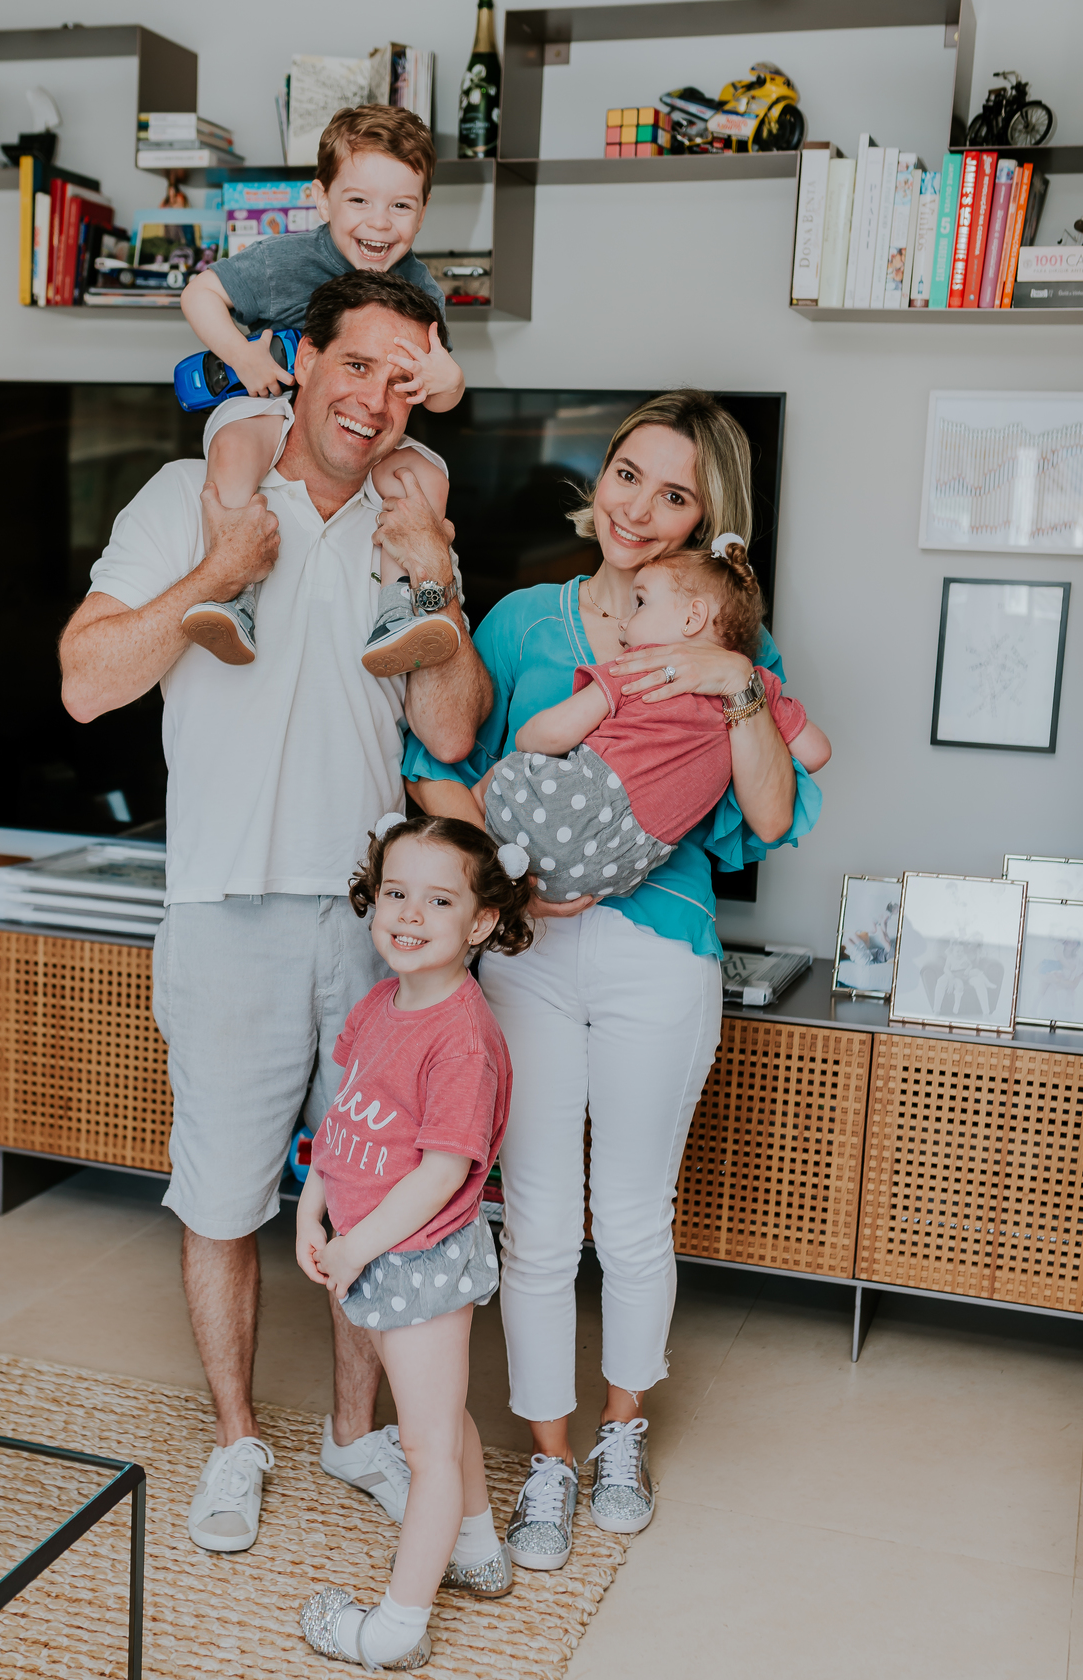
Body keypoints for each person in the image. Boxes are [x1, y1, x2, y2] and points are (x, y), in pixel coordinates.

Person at [58, 269, 492, 1557]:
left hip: (378, 931)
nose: (376, 397)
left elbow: (452, 727)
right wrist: (219, 564)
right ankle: (238, 1439)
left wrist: (435, 578)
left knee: (368, 1205)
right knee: (225, 1200)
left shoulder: (415, 512)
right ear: (299, 362)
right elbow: (86, 683)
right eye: (357, 365)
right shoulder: (193, 495)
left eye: (405, 376)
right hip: (226, 906)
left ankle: (355, 1436)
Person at [405, 390, 828, 1569]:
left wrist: (732, 682)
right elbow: (443, 769)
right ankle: (546, 1458)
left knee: (635, 1220)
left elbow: (776, 808)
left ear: (709, 520)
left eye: (677, 492)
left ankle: (621, 1437)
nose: (641, 507)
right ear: (600, 481)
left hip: (660, 951)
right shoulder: (528, 620)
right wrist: (516, 889)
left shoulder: (726, 630)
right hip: (528, 951)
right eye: (629, 475)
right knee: (536, 1225)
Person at [298, 814, 531, 1670]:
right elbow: (347, 1110)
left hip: (416, 1258)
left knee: (425, 1449)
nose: (408, 913)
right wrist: (313, 1204)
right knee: (442, 1417)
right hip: (376, 1249)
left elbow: (439, 1175)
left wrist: (357, 1249)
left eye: (438, 900)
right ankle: (475, 1549)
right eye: (396, 892)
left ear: (479, 924)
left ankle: (393, 1628)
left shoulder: (463, 1040)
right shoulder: (381, 1003)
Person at [180, 104, 466, 677]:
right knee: (237, 445)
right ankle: (233, 588)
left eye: (400, 206)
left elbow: (438, 397)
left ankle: (398, 607)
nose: (379, 224)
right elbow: (199, 294)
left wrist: (449, 382)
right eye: (359, 201)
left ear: (423, 211)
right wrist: (242, 354)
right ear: (321, 198)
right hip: (271, 405)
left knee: (426, 479)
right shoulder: (286, 261)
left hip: (362, 428)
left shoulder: (422, 290)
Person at [467, 538, 830, 901]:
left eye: (640, 603)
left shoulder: (643, 665)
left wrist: (522, 749)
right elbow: (816, 753)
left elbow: (545, 735)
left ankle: (502, 858)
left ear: (692, 618)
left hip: (566, 814)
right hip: (625, 866)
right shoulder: (760, 684)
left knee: (493, 783)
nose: (624, 621)